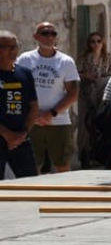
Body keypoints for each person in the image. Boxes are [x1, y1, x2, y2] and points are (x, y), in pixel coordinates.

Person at [16, 22, 79, 173]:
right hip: (31, 121)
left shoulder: (66, 61)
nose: (49, 37)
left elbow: (73, 93)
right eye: (45, 33)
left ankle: (65, 196)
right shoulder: (24, 59)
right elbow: (19, 88)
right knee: (32, 166)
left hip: (59, 121)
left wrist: (51, 113)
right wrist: (32, 112)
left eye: (53, 33)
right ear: (36, 36)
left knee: (62, 165)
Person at [76, 32, 111, 168]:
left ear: (103, 43)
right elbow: (74, 74)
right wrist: (85, 76)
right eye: (93, 41)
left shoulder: (109, 58)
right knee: (85, 126)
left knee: (101, 125)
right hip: (86, 96)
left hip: (103, 96)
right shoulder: (83, 58)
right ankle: (85, 156)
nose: (96, 44)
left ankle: (100, 155)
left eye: (98, 41)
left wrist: (103, 80)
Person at [0, 30, 39, 178]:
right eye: (7, 47)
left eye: (15, 47)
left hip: (21, 137)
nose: (13, 51)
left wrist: (22, 134)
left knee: (30, 182)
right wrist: (7, 135)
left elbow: (34, 107)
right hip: (3, 136)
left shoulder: (25, 73)